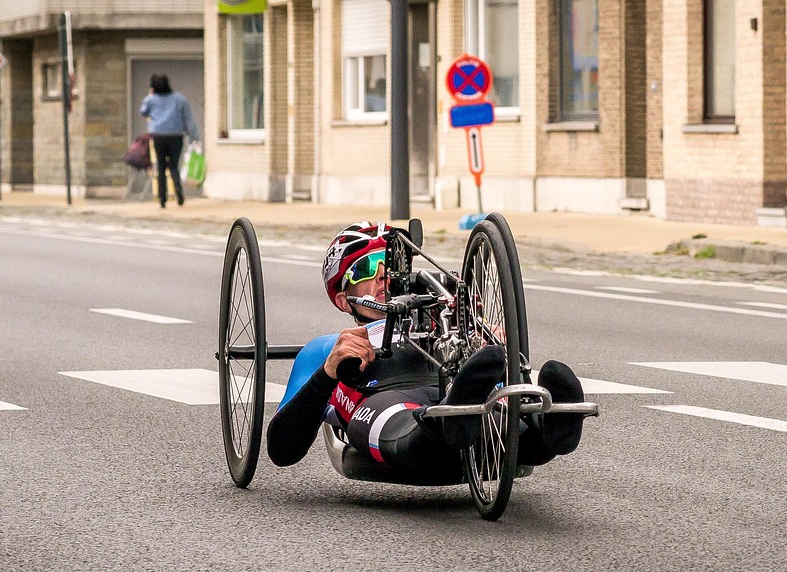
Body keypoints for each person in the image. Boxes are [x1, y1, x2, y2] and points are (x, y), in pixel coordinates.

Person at [266, 222, 586, 478]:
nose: (381, 275)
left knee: (498, 402)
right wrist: (327, 374)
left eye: (388, 263)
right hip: (385, 403)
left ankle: (547, 431)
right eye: (366, 268)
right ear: (341, 297)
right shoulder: (326, 347)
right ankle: (447, 423)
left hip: (459, 392)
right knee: (403, 423)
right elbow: (282, 450)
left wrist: (491, 343)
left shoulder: (446, 325)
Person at [139, 74, 201, 208]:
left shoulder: (151, 100)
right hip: (176, 136)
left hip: (158, 136)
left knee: (161, 167)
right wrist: (194, 137)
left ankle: (162, 198)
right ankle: (179, 192)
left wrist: (150, 95)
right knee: (173, 165)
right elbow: (188, 119)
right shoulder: (180, 99)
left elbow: (143, 111)